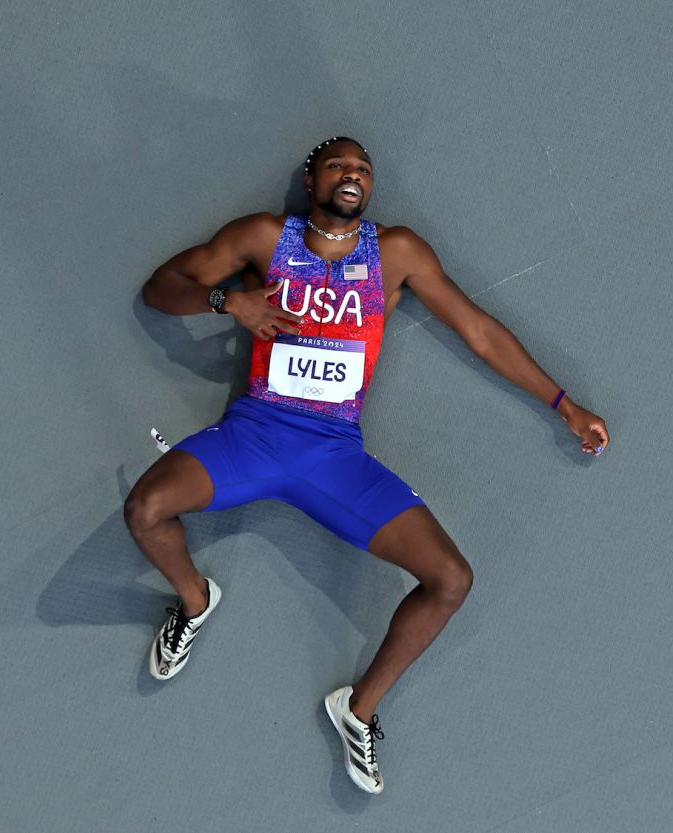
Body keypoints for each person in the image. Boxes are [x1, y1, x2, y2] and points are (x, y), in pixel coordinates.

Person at [126, 136, 608, 794]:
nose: (352, 175)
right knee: (145, 509)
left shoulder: (398, 253)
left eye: (363, 169)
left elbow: (479, 330)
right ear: (311, 177)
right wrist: (227, 302)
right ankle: (195, 599)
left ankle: (357, 708)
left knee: (451, 578)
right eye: (338, 165)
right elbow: (162, 288)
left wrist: (563, 403)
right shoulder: (264, 238)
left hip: (333, 455)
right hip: (256, 436)